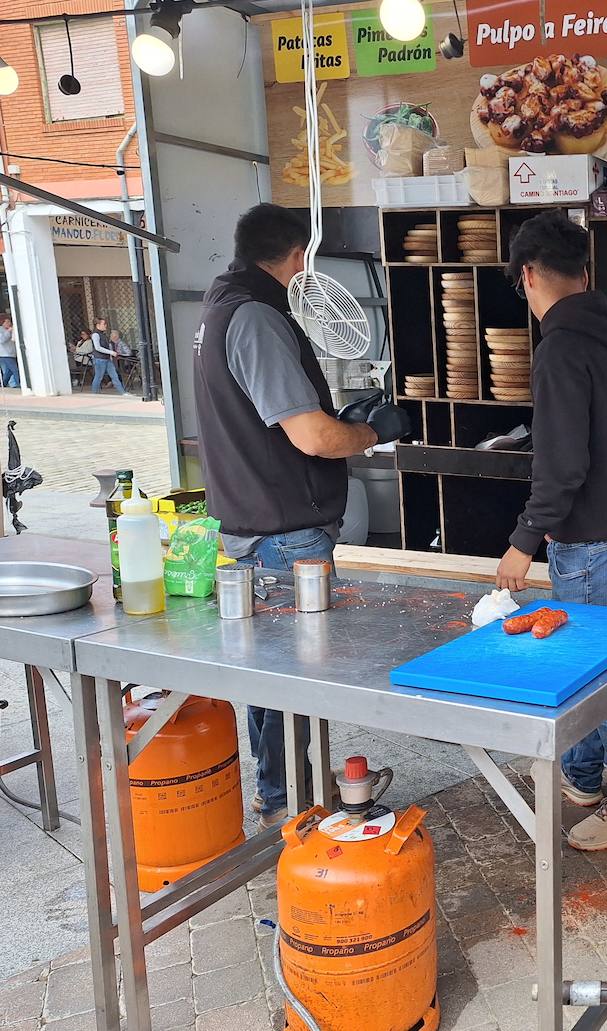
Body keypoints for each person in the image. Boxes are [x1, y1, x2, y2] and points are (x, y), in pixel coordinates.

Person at [194, 203, 410, 828]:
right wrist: (369, 431)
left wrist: (348, 417)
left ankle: (279, 798)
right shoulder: (257, 317)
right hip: (283, 535)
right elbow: (312, 437)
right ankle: (294, 810)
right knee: (293, 682)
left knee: (270, 679)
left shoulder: (214, 312)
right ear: (296, 258)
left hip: (251, 525)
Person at [494, 210, 607, 852]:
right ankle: (585, 775)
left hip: (590, 533)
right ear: (583, 272)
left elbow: (563, 463)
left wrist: (523, 539)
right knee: (589, 654)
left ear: (529, 274)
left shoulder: (560, 347)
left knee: (598, 668)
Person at [90, 317, 126, 395]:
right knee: (98, 377)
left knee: (114, 376)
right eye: (104, 324)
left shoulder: (103, 334)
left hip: (106, 359)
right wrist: (111, 352)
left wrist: (110, 354)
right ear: (98, 325)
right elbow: (97, 347)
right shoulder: (95, 335)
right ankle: (94, 394)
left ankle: (123, 392)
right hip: (99, 359)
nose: (105, 325)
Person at [0, 314, 18, 388]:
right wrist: (8, 331)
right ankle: (20, 384)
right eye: (7, 322)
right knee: (15, 370)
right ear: (2, 323)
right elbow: (2, 340)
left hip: (12, 353)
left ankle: (3, 384)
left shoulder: (11, 329)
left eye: (9, 321)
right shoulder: (1, 330)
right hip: (5, 354)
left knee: (9, 372)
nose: (9, 323)